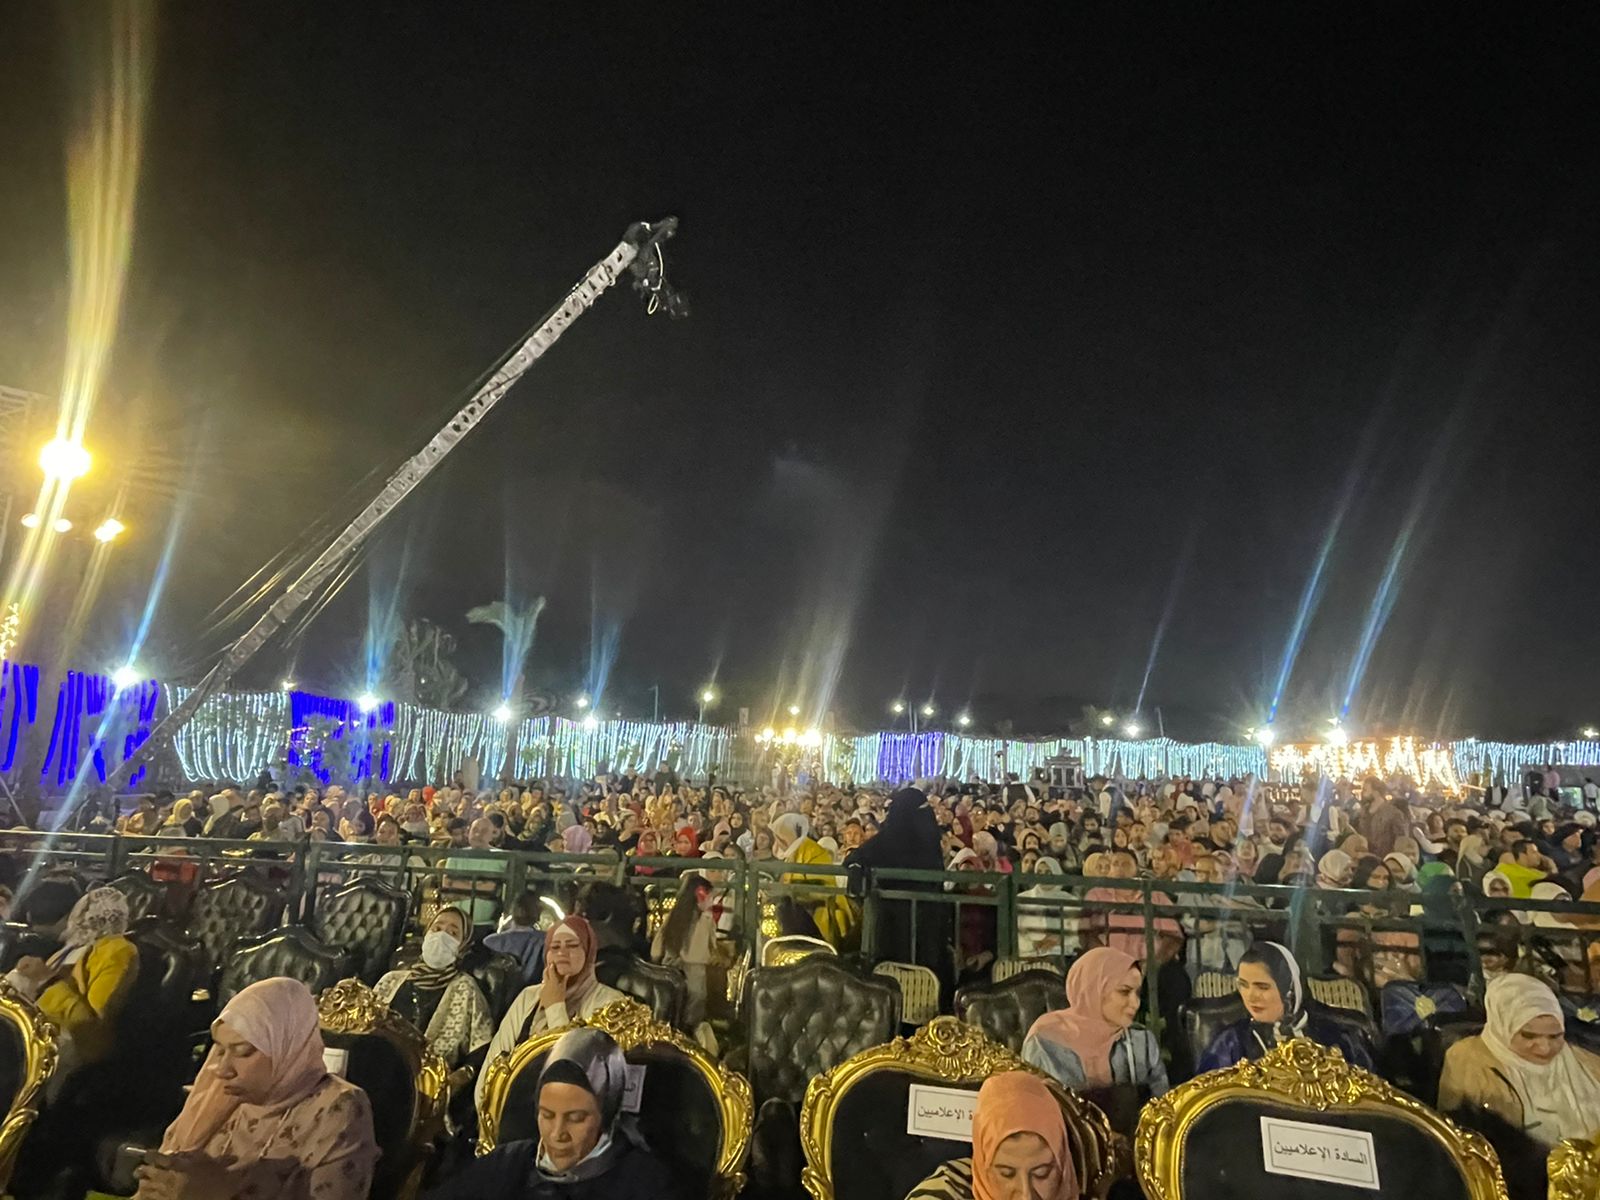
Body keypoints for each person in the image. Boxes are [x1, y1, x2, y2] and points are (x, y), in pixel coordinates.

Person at [134, 977, 377, 1200]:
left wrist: (214, 1195)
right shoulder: (219, 1093)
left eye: (243, 1051)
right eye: (220, 1049)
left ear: (286, 1048)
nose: (222, 1069)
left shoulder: (338, 1107)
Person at [427, 1027, 678, 1199]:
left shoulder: (645, 1182)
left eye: (576, 1118)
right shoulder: (509, 1162)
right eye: (547, 1115)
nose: (557, 1134)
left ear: (607, 1114)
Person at [476, 916, 626, 1109]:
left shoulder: (611, 1003)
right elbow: (494, 1063)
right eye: (554, 947)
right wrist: (487, 1113)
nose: (562, 952)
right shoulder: (529, 996)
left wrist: (555, 1005)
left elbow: (576, 1072)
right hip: (515, 1109)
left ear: (588, 952)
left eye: (572, 945)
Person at [1439, 973, 1600, 1148]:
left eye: (1555, 1036)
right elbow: (1457, 1133)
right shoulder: (1467, 1058)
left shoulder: (1586, 1062)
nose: (1544, 1048)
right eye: (1529, 1036)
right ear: (1503, 1026)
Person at [7, 886, 138, 1072]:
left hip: (54, 1049)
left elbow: (92, 1036)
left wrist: (46, 978)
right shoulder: (72, 947)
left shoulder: (117, 951)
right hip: (28, 1030)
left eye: (89, 908)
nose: (82, 913)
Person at [1197, 941, 1375, 1072]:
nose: (1251, 996)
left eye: (1262, 987)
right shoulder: (1230, 1042)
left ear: (1289, 989)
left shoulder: (1340, 1038)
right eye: (1243, 985)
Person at [906, 1071, 1079, 1200]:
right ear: (983, 1163)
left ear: (1063, 1164)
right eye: (1006, 1174)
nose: (1025, 1195)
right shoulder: (944, 1192)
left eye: (1042, 1173)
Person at [1022, 947, 1168, 1096]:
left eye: (1137, 993)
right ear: (1094, 989)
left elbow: (1164, 1103)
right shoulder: (1044, 1041)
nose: (1135, 1003)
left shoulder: (1142, 1042)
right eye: (1124, 992)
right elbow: (1032, 1102)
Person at [374, 906, 494, 1078]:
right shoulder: (391, 980)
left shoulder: (466, 989)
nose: (441, 936)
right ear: (426, 935)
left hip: (427, 1082)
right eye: (437, 929)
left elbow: (479, 1052)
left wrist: (455, 1081)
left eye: (453, 933)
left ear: (463, 947)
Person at [843, 787, 949, 968]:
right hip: (907, 917)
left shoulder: (910, 836)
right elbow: (857, 857)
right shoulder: (896, 837)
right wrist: (856, 867)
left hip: (909, 916)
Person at [771, 811, 856, 946]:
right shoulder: (791, 854)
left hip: (819, 909)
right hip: (795, 908)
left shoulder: (814, 852)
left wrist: (797, 890)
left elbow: (823, 886)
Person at [651, 872, 719, 1028]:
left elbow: (656, 948)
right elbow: (699, 952)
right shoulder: (704, 920)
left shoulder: (675, 916)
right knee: (696, 1000)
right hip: (693, 970)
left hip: (669, 969)